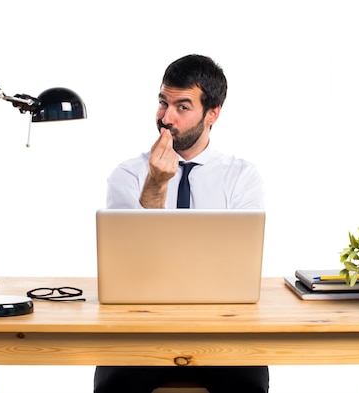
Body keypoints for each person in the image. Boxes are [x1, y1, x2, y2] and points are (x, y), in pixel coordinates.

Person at [96, 54, 268, 393]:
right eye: (163, 103)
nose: (166, 118)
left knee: (247, 387)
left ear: (213, 113)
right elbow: (130, 267)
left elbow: (237, 268)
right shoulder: (128, 175)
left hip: (222, 330)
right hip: (139, 330)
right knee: (113, 387)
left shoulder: (241, 176)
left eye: (182, 106)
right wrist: (156, 186)